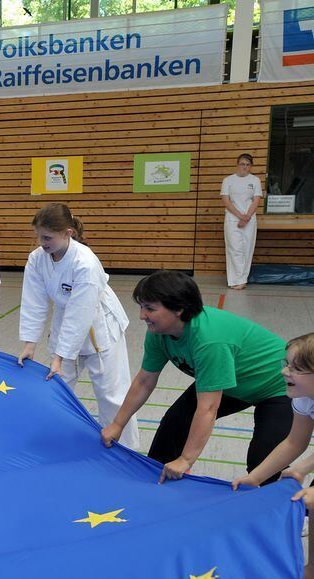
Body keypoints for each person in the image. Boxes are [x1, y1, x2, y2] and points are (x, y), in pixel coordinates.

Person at [100, 270, 291, 483]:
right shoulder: (159, 332)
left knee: (263, 461)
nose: (142, 315)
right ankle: (154, 483)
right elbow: (144, 381)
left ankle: (282, 498)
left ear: (179, 309)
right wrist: (118, 424)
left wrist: (186, 459)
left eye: (150, 308)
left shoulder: (209, 341)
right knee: (175, 424)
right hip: (233, 382)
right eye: (142, 307)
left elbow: (208, 408)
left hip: (280, 386)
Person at [18, 203, 138, 447]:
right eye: (38, 236)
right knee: (57, 386)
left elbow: (80, 313)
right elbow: (34, 301)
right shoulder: (37, 258)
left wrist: (60, 356)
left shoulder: (85, 262)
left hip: (99, 326)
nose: (41, 243)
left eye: (47, 237)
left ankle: (125, 449)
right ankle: (53, 439)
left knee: (111, 395)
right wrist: (30, 344)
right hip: (65, 322)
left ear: (68, 233)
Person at [231, 333, 314, 579]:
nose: (284, 372)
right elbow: (294, 442)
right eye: (287, 364)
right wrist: (255, 477)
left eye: (295, 368)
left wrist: (305, 470)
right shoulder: (304, 398)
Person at [220, 153, 263, 290]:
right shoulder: (228, 180)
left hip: (249, 219)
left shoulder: (255, 180)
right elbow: (226, 201)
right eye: (242, 164)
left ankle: (242, 280)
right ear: (237, 164)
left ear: (251, 166)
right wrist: (240, 216)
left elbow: (256, 201)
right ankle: (234, 279)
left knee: (247, 249)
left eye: (248, 165)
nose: (245, 167)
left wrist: (247, 217)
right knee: (234, 249)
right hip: (232, 218)